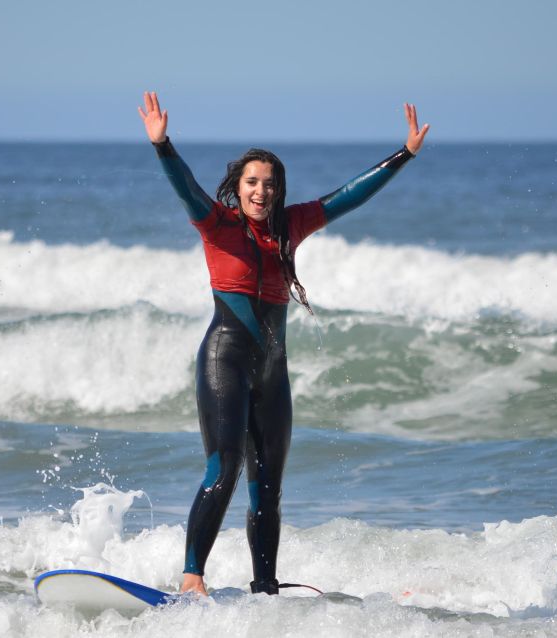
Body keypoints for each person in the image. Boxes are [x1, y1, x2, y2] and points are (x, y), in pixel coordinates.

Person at [138, 91, 429, 596]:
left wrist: (403, 154)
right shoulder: (217, 225)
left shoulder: (291, 226)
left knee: (267, 489)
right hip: (224, 360)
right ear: (238, 186)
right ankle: (191, 579)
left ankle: (265, 590)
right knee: (223, 466)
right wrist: (163, 145)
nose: (261, 191)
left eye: (269, 184)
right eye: (252, 182)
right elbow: (185, 188)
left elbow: (348, 196)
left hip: (273, 374)